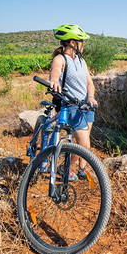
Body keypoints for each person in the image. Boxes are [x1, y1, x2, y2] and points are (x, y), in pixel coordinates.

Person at [49, 23, 97, 181]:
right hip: (71, 106)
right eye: (81, 41)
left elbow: (89, 83)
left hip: (86, 105)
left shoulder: (81, 61)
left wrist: (91, 97)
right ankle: (63, 168)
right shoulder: (60, 58)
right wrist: (54, 80)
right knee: (84, 145)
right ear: (72, 43)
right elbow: (55, 70)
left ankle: (82, 169)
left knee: (85, 139)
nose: (83, 44)